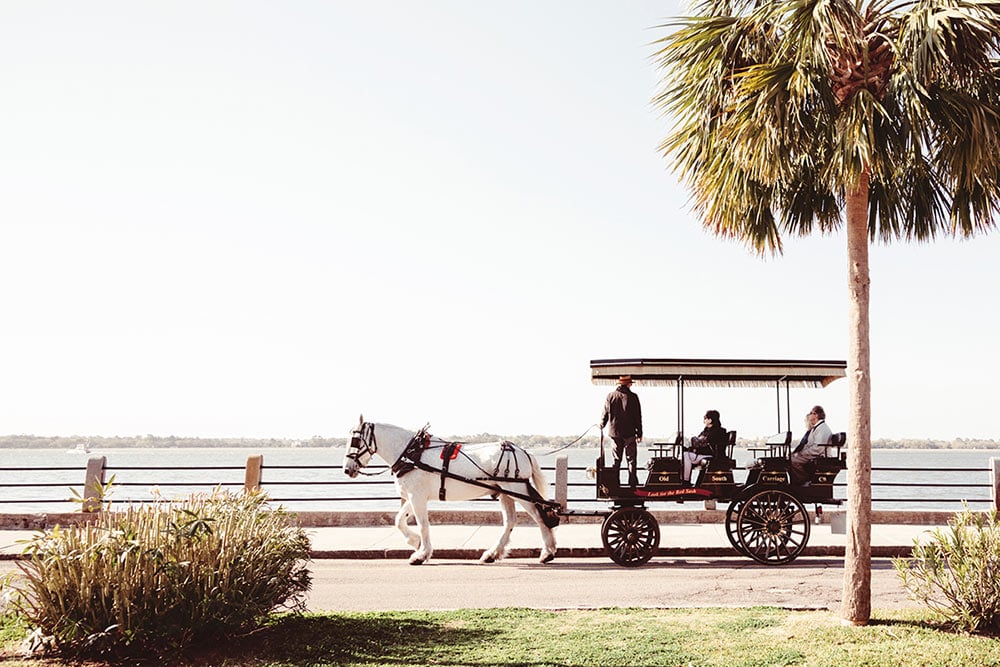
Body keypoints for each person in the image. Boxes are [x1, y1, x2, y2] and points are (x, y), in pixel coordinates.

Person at [600, 375, 642, 487]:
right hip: (630, 432)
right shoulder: (633, 397)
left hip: (614, 432)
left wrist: (602, 424)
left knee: (616, 459)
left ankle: (615, 483)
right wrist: (640, 433)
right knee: (631, 460)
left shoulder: (610, 396)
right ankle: (632, 483)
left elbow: (605, 412)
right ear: (628, 384)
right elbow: (638, 416)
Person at [790, 405, 833, 485]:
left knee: (791, 461)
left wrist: (802, 453)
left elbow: (818, 449)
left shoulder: (823, 428)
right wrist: (798, 453)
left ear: (816, 415)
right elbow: (809, 444)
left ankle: (804, 480)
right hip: (814, 454)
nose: (809, 416)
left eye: (810, 413)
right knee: (790, 458)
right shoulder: (817, 428)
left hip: (820, 456)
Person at [683, 410, 728, 485]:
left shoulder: (718, 431)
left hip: (712, 455)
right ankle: (684, 480)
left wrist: (695, 450)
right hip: (703, 454)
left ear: (710, 420)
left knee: (686, 455)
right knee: (684, 454)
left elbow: (707, 446)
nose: (703, 420)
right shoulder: (705, 431)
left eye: (705, 418)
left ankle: (686, 481)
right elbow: (699, 443)